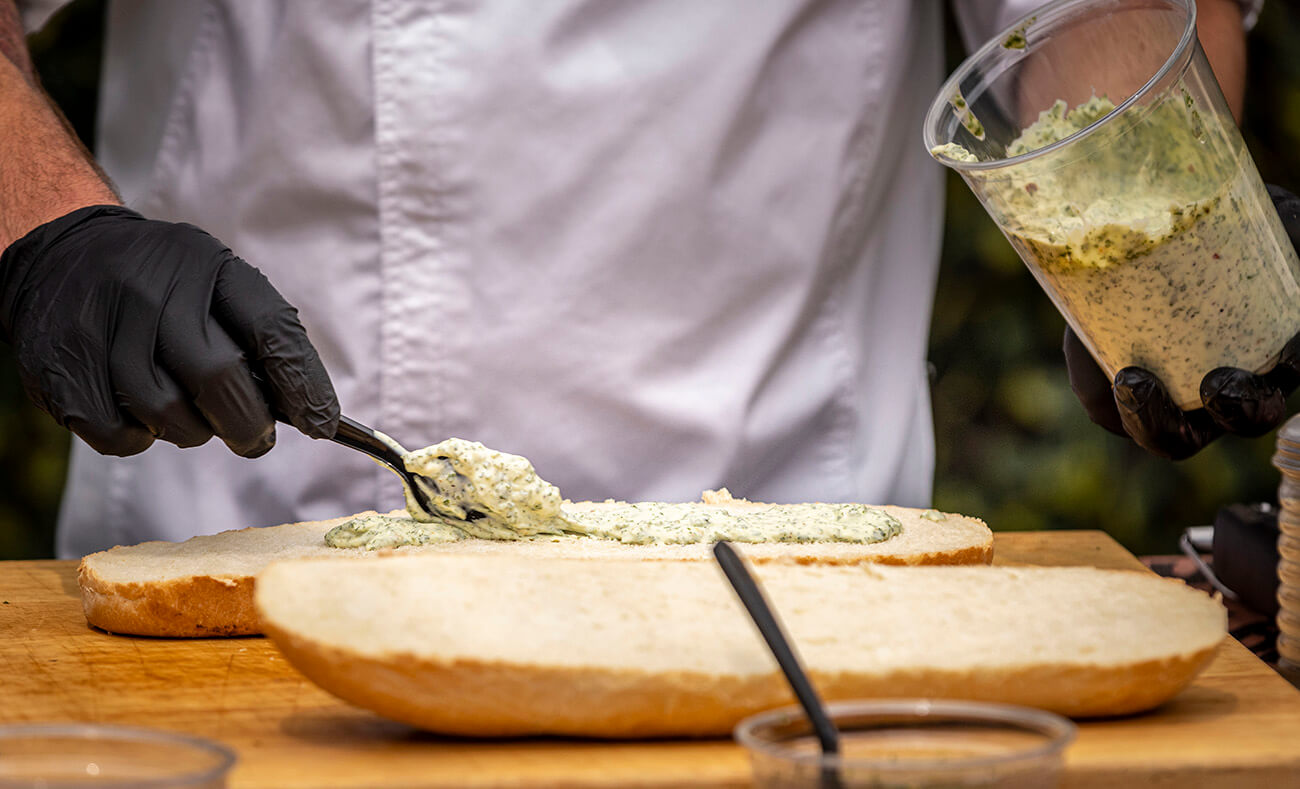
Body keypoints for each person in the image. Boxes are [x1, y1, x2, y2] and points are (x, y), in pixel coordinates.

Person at [0, 0, 1262, 558]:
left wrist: (1157, 248)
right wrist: (51, 228)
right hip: (238, 545)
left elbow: (1100, 7)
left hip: (791, 583)